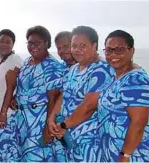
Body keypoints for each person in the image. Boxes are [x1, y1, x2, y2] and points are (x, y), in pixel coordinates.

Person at [48, 26, 115, 162]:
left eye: (82, 45)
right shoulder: (73, 69)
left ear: (94, 46)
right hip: (66, 136)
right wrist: (51, 119)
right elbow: (63, 95)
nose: (77, 50)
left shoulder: (102, 69)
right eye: (74, 46)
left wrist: (63, 125)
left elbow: (89, 106)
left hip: (89, 140)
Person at [98, 30, 149, 162]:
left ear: (131, 51)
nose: (113, 54)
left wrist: (125, 155)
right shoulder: (116, 74)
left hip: (132, 155)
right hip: (112, 151)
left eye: (119, 50)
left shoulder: (135, 80)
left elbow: (138, 122)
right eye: (109, 50)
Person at [15, 25, 64, 162]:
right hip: (23, 121)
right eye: (30, 42)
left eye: (38, 43)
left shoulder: (52, 66)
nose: (33, 46)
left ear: (46, 43)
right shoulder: (27, 62)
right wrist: (15, 98)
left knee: (39, 157)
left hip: (40, 121)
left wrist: (48, 127)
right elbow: (23, 87)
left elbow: (53, 99)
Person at [0, 29, 23, 162]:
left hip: (6, 115)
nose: (4, 44)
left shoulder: (16, 60)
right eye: (2, 40)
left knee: (7, 151)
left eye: (8, 42)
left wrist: (3, 112)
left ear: (13, 45)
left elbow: (12, 87)